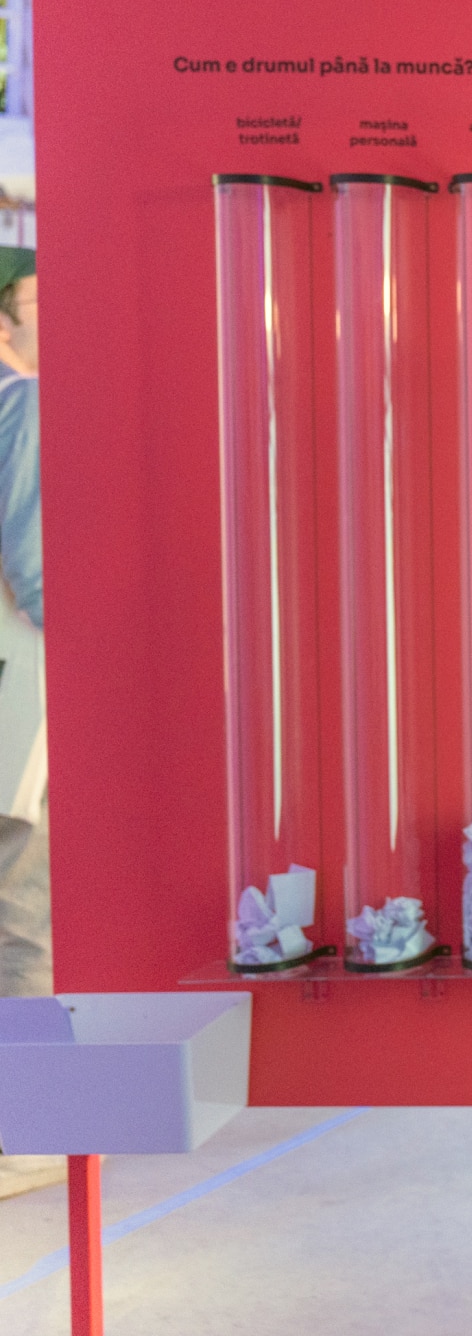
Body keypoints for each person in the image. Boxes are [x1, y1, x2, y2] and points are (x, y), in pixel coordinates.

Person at [0, 245, 55, 1201]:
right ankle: (32, 1127)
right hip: (16, 698)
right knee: (22, 912)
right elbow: (39, 571)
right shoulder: (26, 407)